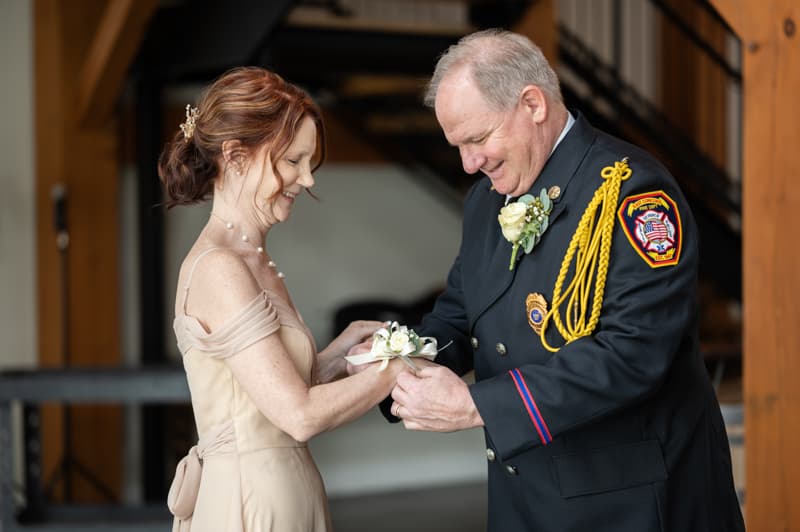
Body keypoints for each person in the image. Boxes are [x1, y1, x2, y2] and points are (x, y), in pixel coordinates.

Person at [379, 29, 745, 531]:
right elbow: (461, 314)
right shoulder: (486, 201)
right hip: (525, 496)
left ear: (533, 104)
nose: (468, 163)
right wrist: (393, 363)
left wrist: (475, 404)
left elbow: (633, 353)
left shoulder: (634, 191)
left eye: (478, 138)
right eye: (457, 146)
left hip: (632, 502)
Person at [158, 66, 409, 532]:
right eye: (293, 161)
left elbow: (272, 387)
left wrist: (342, 350)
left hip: (287, 490)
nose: (307, 180)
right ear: (235, 157)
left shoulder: (254, 259)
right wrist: (395, 368)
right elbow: (298, 414)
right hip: (250, 502)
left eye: (310, 163)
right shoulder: (219, 267)